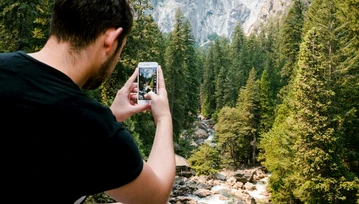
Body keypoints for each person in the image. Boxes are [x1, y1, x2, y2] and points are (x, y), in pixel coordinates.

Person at [0, 0, 175, 203]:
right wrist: (163, 117)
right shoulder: (94, 130)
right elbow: (156, 196)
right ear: (111, 39)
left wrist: (112, 116)